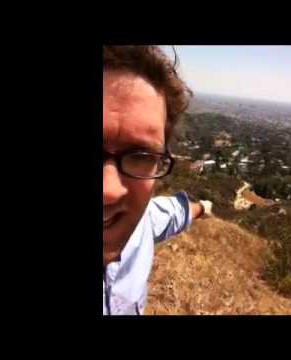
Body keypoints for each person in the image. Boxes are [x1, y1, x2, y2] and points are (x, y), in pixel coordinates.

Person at [103, 45, 212, 315]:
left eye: (140, 155)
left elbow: (174, 213)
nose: (109, 191)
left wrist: (203, 208)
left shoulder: (142, 224)